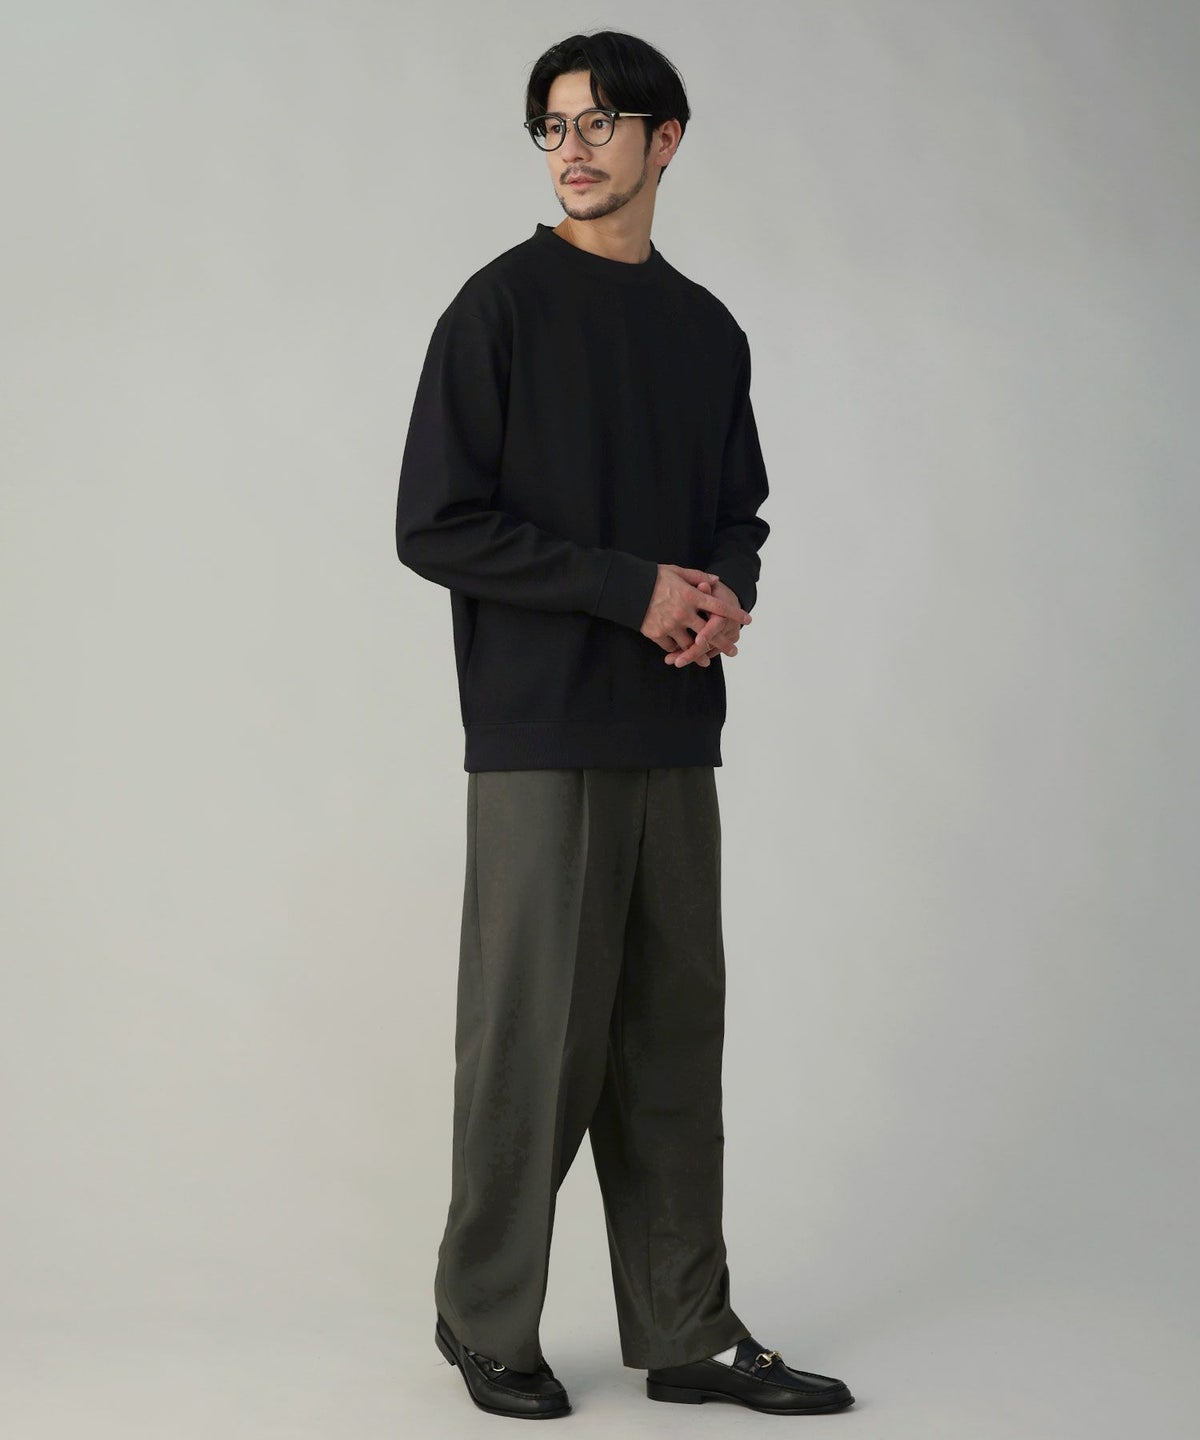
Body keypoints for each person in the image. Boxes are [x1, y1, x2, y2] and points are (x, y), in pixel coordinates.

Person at [395, 29, 855, 1421]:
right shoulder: (498, 310)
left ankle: (685, 1327)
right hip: (540, 732)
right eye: (554, 126)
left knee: (669, 1044)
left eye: (601, 122)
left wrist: (722, 592)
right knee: (532, 1046)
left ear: (668, 139)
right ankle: (485, 1319)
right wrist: (629, 588)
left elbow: (735, 511)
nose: (574, 148)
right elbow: (435, 525)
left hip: (671, 725)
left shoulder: (707, 330)